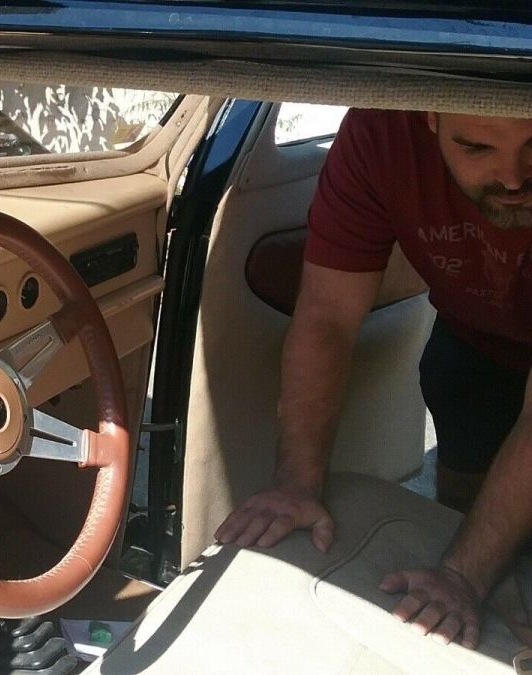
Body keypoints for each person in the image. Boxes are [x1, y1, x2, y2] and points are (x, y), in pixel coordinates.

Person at [214, 108, 532, 649]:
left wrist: (461, 576)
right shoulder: (380, 134)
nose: (513, 178)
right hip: (474, 342)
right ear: (429, 116)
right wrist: (296, 481)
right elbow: (327, 318)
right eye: (477, 148)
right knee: (457, 400)